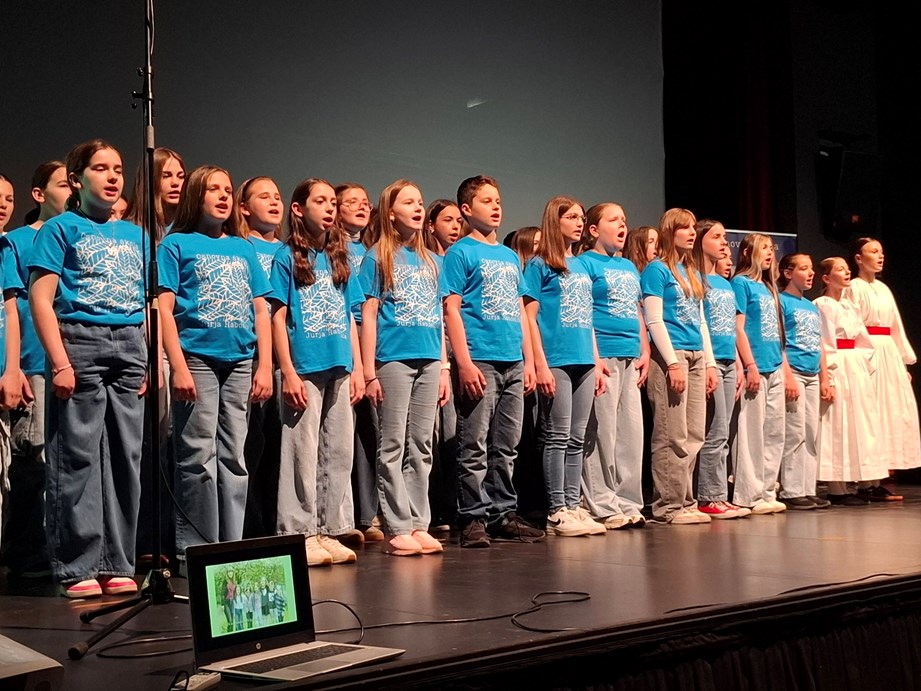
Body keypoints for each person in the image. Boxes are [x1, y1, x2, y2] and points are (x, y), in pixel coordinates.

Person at [29, 140, 148, 598]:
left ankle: (117, 560)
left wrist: (147, 357)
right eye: (101, 168)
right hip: (80, 340)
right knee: (76, 456)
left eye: (117, 168)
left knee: (124, 457)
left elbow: (146, 302)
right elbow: (41, 299)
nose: (113, 176)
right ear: (77, 180)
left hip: (129, 343)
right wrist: (60, 361)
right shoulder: (59, 229)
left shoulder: (136, 235)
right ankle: (77, 563)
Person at [158, 165, 273, 561]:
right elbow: (164, 309)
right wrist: (178, 365)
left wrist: (263, 364)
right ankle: (197, 550)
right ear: (196, 196)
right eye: (213, 190)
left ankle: (231, 546)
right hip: (197, 358)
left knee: (234, 457)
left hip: (239, 361)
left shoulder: (243, 247)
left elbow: (260, 309)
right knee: (197, 458)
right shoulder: (176, 244)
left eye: (227, 189)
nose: (223, 196)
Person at [440, 175, 544, 547]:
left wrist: (528, 361)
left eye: (498, 200)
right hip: (480, 359)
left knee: (507, 445)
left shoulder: (509, 256)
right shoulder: (460, 252)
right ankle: (472, 516)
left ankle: (503, 513)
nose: (496, 206)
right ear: (466, 209)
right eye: (486, 201)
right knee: (474, 444)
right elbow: (451, 309)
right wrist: (464, 363)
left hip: (512, 360)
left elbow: (520, 311)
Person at [270, 178, 364, 566]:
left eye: (332, 203)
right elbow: (277, 317)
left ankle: (329, 529)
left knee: (337, 451)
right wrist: (288, 371)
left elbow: (350, 316)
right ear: (298, 209)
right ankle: (299, 532)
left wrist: (359, 368)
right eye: (320, 201)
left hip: (339, 365)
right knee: (301, 452)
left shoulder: (339, 256)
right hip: (304, 368)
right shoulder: (286, 257)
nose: (329, 208)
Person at [359, 181, 449, 556]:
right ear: (390, 212)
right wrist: (369, 372)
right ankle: (397, 524)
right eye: (408, 202)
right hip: (393, 359)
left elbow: (439, 317)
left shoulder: (433, 261)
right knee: (393, 444)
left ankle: (418, 523)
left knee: (421, 445)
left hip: (429, 359)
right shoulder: (377, 257)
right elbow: (368, 313)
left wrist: (444, 367)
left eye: (420, 202)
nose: (417, 207)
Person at [1, 161, 69, 577]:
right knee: (33, 458)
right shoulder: (18, 241)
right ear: (40, 194)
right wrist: (20, 366)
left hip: (68, 363)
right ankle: (26, 552)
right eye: (63, 184)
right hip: (33, 364)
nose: (71, 191)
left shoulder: (75, 235)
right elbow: (16, 310)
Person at [524, 196, 605, 537]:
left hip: (584, 358)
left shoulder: (583, 265)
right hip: (556, 358)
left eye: (581, 217)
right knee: (557, 435)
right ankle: (556, 509)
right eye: (571, 217)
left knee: (576, 436)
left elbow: (589, 316)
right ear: (554, 222)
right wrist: (539, 364)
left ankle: (573, 504)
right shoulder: (539, 265)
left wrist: (597, 360)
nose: (578, 222)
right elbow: (529, 318)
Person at [641, 208, 717, 525]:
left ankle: (686, 500)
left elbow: (701, 321)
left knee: (694, 433)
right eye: (684, 228)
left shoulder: (692, 272)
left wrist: (709, 363)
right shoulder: (657, 270)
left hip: (696, 354)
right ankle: (668, 506)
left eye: (693, 228)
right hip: (671, 356)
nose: (691, 233)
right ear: (669, 232)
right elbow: (654, 319)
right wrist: (672, 362)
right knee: (672, 433)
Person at [578, 203, 650, 529]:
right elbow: (583, 311)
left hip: (631, 356)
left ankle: (628, 501)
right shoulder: (584, 263)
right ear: (594, 229)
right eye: (614, 220)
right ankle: (601, 503)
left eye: (624, 220)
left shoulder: (629, 266)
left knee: (630, 433)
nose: (622, 225)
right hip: (604, 355)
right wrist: (593, 357)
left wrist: (645, 349)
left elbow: (637, 311)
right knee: (602, 432)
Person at [848, 237, 921, 500]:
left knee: (888, 412)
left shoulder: (884, 289)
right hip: (868, 352)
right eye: (873, 251)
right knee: (871, 413)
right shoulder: (853, 287)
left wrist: (902, 361)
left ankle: (877, 479)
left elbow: (895, 326)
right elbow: (853, 326)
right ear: (859, 258)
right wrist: (860, 359)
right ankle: (864, 481)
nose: (880, 256)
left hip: (887, 352)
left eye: (881, 252)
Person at [814, 257, 887, 503]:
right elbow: (824, 341)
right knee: (836, 422)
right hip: (837, 364)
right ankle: (836, 486)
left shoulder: (850, 305)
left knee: (858, 422)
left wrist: (864, 366)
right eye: (840, 269)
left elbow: (864, 340)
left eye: (847, 269)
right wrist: (828, 376)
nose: (846, 272)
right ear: (826, 278)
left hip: (854, 365)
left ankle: (860, 480)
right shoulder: (821, 305)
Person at [236, 177, 285, 538]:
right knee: (251, 444)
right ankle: (250, 525)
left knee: (278, 447)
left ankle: (274, 521)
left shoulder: (288, 251)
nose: (273, 202)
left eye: (277, 196)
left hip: (288, 361)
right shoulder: (241, 247)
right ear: (244, 207)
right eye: (263, 197)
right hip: (253, 358)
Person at [690, 220, 750, 519]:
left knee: (723, 432)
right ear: (701, 240)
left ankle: (718, 495)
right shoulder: (695, 279)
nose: (724, 243)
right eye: (717, 237)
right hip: (709, 362)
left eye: (725, 237)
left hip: (728, 361)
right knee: (712, 432)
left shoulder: (726, 283)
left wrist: (739, 364)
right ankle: (707, 496)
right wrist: (708, 363)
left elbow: (732, 328)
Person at [335, 182, 382, 543]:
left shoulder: (369, 251)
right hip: (342, 343)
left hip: (370, 343)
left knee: (369, 432)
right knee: (340, 434)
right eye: (352, 202)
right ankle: (340, 515)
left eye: (365, 202)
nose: (361, 207)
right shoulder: (333, 250)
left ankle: (367, 513)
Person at [730, 233, 786, 514]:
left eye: (770, 248)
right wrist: (749, 365)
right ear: (747, 252)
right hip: (756, 366)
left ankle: (767, 490)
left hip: (774, 365)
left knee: (774, 432)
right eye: (763, 248)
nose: (769, 253)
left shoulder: (768, 286)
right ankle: (748, 494)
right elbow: (737, 328)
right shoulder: (741, 283)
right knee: (751, 433)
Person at [777, 253, 830, 509]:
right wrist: (787, 375)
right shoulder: (781, 301)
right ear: (788, 273)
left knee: (811, 433)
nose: (811, 273)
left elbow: (819, 343)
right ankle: (791, 490)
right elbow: (779, 341)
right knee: (795, 432)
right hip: (795, 371)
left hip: (812, 374)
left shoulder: (811, 306)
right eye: (804, 268)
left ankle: (808, 488)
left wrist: (825, 378)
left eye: (811, 268)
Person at [423, 199, 463, 532]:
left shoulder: (457, 259)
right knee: (430, 434)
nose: (455, 226)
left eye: (458, 221)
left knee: (453, 433)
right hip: (434, 353)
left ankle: (450, 505)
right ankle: (431, 507)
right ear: (431, 225)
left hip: (459, 354)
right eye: (447, 220)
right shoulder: (428, 261)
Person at [125, 147, 186, 240]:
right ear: (149, 180)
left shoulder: (190, 228)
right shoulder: (129, 230)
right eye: (166, 176)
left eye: (181, 176)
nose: (175, 183)